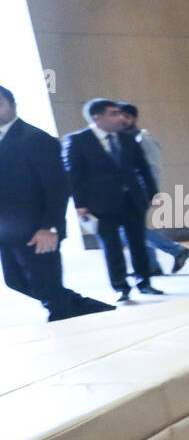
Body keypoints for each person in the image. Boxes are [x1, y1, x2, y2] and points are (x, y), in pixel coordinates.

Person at [0, 85, 115, 321]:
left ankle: (68, 327)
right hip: (7, 231)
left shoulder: (36, 139)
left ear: (13, 106)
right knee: (16, 282)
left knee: (47, 287)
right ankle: (89, 308)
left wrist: (49, 228)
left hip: (38, 230)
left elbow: (58, 188)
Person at [63, 98, 162, 302]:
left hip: (132, 200)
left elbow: (143, 169)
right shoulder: (78, 140)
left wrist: (153, 194)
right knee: (112, 246)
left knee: (138, 243)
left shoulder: (126, 139)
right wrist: (80, 204)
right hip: (101, 204)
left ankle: (145, 282)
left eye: (120, 113)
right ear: (97, 117)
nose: (120, 117)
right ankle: (121, 287)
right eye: (114, 113)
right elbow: (74, 175)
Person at [118, 103, 189, 274]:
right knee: (134, 228)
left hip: (140, 191)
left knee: (131, 228)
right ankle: (151, 266)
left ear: (133, 118)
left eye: (124, 116)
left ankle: (176, 251)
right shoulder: (123, 139)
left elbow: (152, 168)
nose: (120, 119)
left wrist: (149, 192)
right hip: (130, 191)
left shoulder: (143, 138)